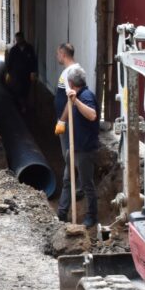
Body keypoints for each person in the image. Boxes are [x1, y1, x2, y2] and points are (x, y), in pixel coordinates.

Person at [57, 67, 100, 228]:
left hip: (85, 150)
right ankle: (62, 212)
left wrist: (76, 101)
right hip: (73, 148)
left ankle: (92, 216)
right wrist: (62, 121)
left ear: (71, 83)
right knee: (67, 180)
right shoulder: (75, 96)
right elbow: (69, 108)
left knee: (86, 183)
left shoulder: (86, 96)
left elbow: (92, 115)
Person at [53, 43, 83, 156]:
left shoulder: (70, 72)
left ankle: (71, 173)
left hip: (68, 120)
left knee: (68, 153)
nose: (57, 57)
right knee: (69, 153)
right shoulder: (73, 69)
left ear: (63, 54)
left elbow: (71, 99)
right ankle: (70, 172)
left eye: (57, 54)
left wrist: (62, 121)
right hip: (67, 118)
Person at [4, 31, 38, 113]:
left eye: (19, 39)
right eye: (17, 39)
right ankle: (19, 106)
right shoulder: (13, 50)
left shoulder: (29, 49)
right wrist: (8, 73)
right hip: (16, 75)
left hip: (26, 75)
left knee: (25, 90)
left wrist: (33, 72)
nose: (18, 41)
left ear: (23, 38)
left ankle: (24, 106)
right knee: (17, 90)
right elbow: (9, 62)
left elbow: (33, 61)